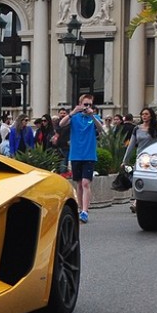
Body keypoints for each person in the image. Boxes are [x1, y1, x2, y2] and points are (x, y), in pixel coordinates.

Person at [58, 94, 105, 222]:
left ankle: (85, 210)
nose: (87, 107)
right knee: (79, 183)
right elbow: (61, 124)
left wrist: (92, 116)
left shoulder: (94, 117)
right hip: (76, 154)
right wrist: (73, 112)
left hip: (89, 154)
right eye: (85, 104)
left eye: (90, 105)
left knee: (85, 183)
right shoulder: (75, 117)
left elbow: (102, 129)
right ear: (80, 104)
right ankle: (80, 208)